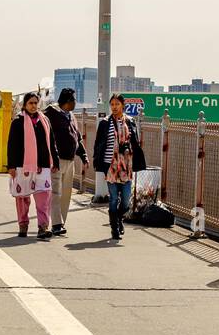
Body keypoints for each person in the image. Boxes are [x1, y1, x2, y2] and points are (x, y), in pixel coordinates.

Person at [93, 93, 146, 242]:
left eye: (117, 104)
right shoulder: (105, 123)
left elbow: (135, 141)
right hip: (110, 165)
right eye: (112, 104)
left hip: (126, 165)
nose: (114, 107)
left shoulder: (130, 121)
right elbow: (98, 144)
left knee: (126, 201)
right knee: (114, 198)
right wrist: (97, 161)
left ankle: (119, 218)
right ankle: (114, 228)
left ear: (123, 105)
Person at [7, 92, 59, 238]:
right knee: (22, 198)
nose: (34, 106)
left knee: (44, 197)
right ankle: (23, 224)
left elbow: (52, 142)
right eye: (30, 103)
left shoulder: (45, 120)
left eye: (36, 103)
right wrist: (11, 166)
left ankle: (43, 227)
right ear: (25, 105)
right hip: (22, 165)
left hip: (43, 164)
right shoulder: (17, 121)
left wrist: (54, 160)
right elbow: (11, 145)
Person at [44, 88, 89, 236]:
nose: (75, 103)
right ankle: (56, 224)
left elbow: (77, 138)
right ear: (68, 101)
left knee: (66, 193)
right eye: (74, 100)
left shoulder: (71, 116)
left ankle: (60, 221)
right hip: (56, 160)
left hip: (70, 161)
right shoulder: (50, 114)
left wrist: (83, 156)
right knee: (55, 193)